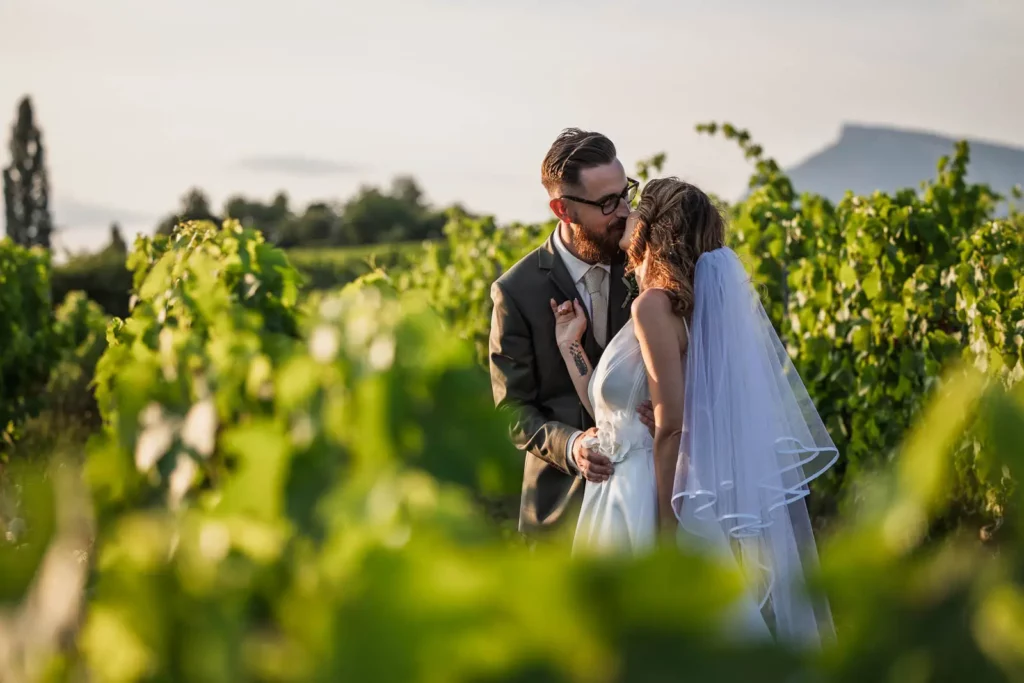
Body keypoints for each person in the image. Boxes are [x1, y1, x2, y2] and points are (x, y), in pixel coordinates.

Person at [551, 177, 838, 646]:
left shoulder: (653, 307)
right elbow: (616, 418)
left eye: (637, 206)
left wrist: (667, 531)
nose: (626, 211)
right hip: (622, 490)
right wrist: (572, 347)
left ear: (656, 229)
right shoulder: (682, 306)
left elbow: (670, 428)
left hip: (647, 495)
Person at [488, 128, 654, 539]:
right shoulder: (516, 291)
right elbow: (512, 409)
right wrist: (572, 445)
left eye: (626, 193)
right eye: (607, 203)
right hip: (561, 508)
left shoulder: (650, 261)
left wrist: (671, 403)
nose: (624, 212)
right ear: (563, 209)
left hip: (647, 496)